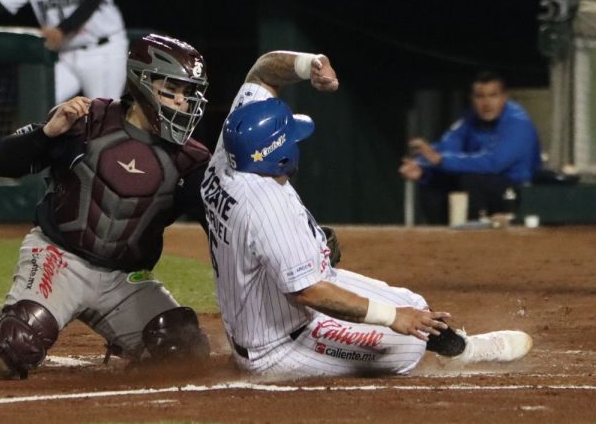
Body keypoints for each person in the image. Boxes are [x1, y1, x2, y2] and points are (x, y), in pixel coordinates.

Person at [0, 34, 212, 379]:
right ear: (142, 82)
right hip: (60, 259)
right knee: (12, 346)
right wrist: (47, 134)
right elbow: (4, 164)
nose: (182, 102)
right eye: (172, 90)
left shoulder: (191, 161)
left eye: (188, 93)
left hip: (124, 279)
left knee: (184, 350)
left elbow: (220, 228)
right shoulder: (89, 121)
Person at [200, 52, 532, 377]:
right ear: (280, 154)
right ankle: (464, 352)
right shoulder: (265, 204)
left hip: (263, 309)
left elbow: (262, 71)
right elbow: (308, 291)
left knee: (413, 303)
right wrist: (392, 317)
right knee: (408, 340)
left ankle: (458, 347)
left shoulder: (230, 151)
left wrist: (308, 64)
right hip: (279, 344)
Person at [399, 71, 542, 224]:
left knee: (471, 178)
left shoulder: (518, 123)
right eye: (480, 97)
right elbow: (446, 147)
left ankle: (476, 233)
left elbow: (494, 163)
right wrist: (422, 166)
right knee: (431, 179)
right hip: (481, 184)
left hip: (517, 191)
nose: (486, 103)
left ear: (504, 97)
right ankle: (441, 236)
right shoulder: (470, 119)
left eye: (493, 96)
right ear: (472, 99)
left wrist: (441, 160)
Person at [0, 0, 128, 104]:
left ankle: (116, 168)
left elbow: (92, 1)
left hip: (104, 52)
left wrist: (62, 30)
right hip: (65, 55)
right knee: (36, 106)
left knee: (105, 119)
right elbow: (1, 0)